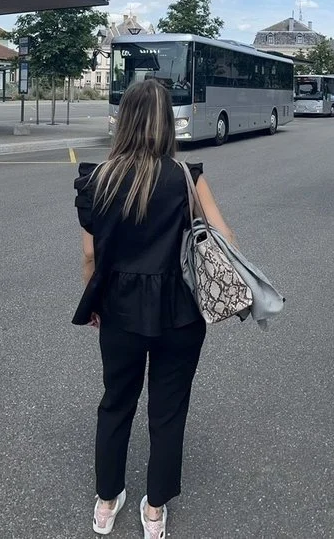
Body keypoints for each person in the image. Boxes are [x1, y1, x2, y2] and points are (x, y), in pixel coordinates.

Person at [74, 77, 232, 539]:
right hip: (180, 312)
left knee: (116, 402)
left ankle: (107, 502)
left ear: (124, 120)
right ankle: (156, 509)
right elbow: (224, 240)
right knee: (168, 409)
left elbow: (90, 255)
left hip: (119, 309)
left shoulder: (98, 179)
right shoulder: (186, 177)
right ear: (166, 124)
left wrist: (94, 302)